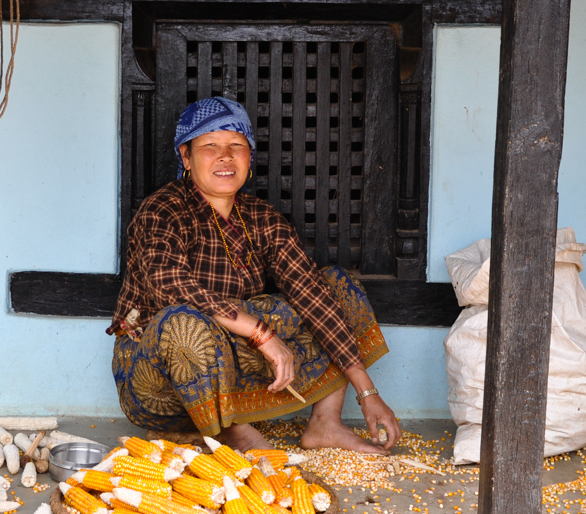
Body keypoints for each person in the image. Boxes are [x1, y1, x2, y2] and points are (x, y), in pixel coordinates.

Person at [108, 96, 401, 454]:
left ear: (249, 156)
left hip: (236, 373)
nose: (225, 157)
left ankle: (326, 423)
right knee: (182, 322)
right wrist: (262, 335)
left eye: (237, 146)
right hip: (159, 384)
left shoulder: (262, 218)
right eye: (209, 146)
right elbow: (172, 285)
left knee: (337, 286)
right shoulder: (163, 209)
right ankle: (236, 434)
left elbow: (311, 293)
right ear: (185, 157)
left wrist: (368, 393)